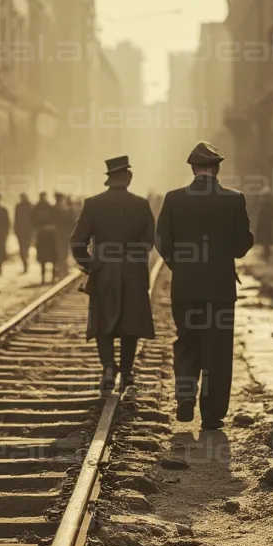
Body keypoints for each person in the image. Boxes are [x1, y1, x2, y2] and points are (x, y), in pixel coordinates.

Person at [157, 141, 255, 430]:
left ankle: (186, 397)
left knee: (187, 342)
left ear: (193, 168)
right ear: (218, 169)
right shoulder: (234, 200)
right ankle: (212, 415)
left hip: (185, 288)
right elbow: (240, 247)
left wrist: (181, 267)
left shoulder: (173, 199)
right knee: (217, 349)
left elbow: (162, 241)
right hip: (220, 290)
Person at [70, 157, 156, 393]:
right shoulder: (141, 204)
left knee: (103, 322)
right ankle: (127, 372)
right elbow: (150, 240)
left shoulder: (93, 204)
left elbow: (77, 243)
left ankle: (108, 367)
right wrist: (135, 257)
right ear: (128, 178)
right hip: (133, 272)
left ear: (109, 180)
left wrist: (91, 265)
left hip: (103, 272)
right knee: (131, 323)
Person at [31, 192, 59, 284]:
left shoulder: (51, 208)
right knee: (42, 259)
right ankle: (43, 277)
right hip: (42, 236)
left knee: (53, 258)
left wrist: (51, 227)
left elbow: (56, 221)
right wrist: (38, 229)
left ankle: (53, 277)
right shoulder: (36, 209)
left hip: (50, 237)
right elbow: (32, 221)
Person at [255, 186, 273, 264]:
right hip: (265, 226)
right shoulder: (265, 206)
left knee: (266, 240)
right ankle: (266, 253)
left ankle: (266, 253)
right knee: (265, 240)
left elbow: (272, 215)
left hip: (266, 226)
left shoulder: (268, 206)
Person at [14, 192, 35, 274]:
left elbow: (33, 219)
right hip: (21, 230)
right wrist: (15, 229)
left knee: (26, 247)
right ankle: (25, 263)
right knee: (22, 248)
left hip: (28, 230)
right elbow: (16, 218)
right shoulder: (18, 206)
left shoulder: (30, 206)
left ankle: (26, 263)